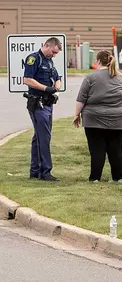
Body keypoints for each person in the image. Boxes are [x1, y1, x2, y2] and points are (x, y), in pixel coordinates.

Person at [73, 50, 122, 183]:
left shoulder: (91, 77)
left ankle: (95, 178)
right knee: (116, 149)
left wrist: (76, 115)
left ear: (98, 61)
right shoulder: (121, 77)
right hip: (119, 118)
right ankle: (118, 178)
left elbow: (81, 99)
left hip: (94, 118)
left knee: (97, 149)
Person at [23, 37, 62, 181]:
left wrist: (56, 87)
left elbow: (58, 77)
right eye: (53, 51)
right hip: (37, 104)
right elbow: (27, 79)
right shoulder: (34, 59)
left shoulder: (49, 61)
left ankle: (35, 171)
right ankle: (45, 172)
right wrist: (46, 88)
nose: (54, 55)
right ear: (46, 45)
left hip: (47, 103)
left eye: (56, 53)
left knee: (38, 136)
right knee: (44, 137)